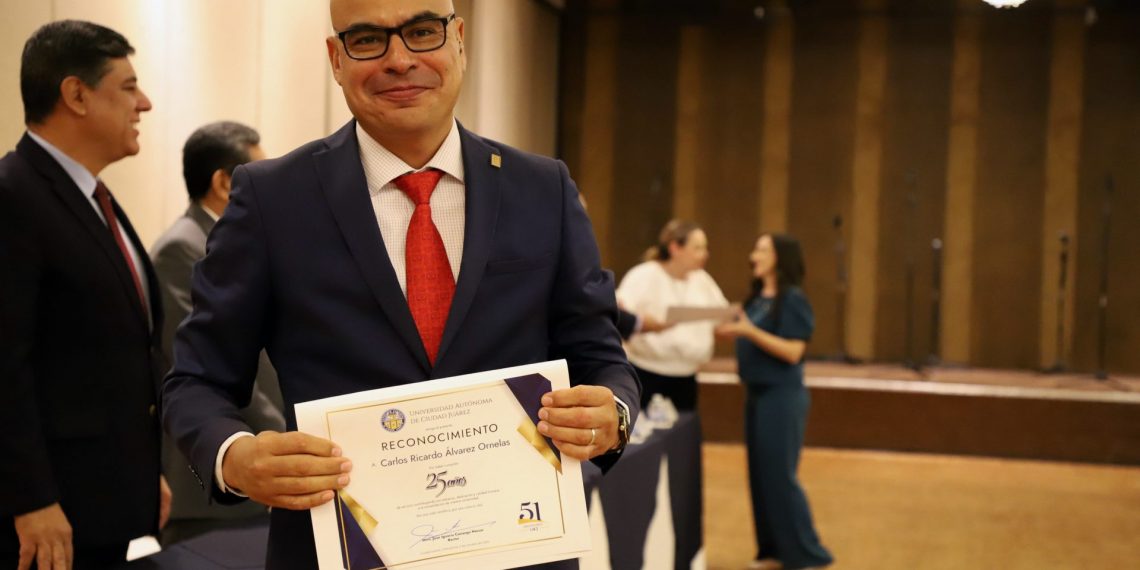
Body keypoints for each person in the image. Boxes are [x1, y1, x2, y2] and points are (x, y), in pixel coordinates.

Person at [160, 1, 640, 568]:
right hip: (333, 549)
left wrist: (613, 413)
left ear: (459, 40)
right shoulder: (272, 200)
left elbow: (600, 358)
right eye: (368, 40)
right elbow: (196, 380)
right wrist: (234, 457)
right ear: (336, 59)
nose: (399, 59)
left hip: (520, 547)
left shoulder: (543, 189)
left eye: (422, 31)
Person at [0, 20, 169, 569]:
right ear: (76, 95)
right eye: (128, 87)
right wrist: (30, 499)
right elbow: (6, 366)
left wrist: (143, 471)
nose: (144, 103)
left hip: (105, 499)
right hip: (48, 518)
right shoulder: (13, 196)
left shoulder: (92, 196)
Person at [150, 121, 285, 546]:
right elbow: (207, 362)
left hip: (259, 467)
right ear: (224, 183)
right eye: (257, 174)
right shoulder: (182, 248)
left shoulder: (236, 244)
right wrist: (287, 437)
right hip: (214, 480)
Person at [715, 234, 833, 570]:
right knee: (761, 477)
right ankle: (773, 552)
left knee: (780, 476)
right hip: (756, 393)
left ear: (780, 257)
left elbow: (794, 351)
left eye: (762, 250)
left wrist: (749, 332)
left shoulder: (792, 298)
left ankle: (806, 554)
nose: (754, 255)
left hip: (782, 396)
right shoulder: (756, 299)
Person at [616, 219, 728, 411]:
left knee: (683, 427)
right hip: (648, 373)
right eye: (697, 248)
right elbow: (621, 314)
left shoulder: (703, 280)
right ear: (675, 248)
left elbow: (721, 317)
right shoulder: (644, 275)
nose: (705, 254)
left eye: (705, 248)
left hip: (686, 376)